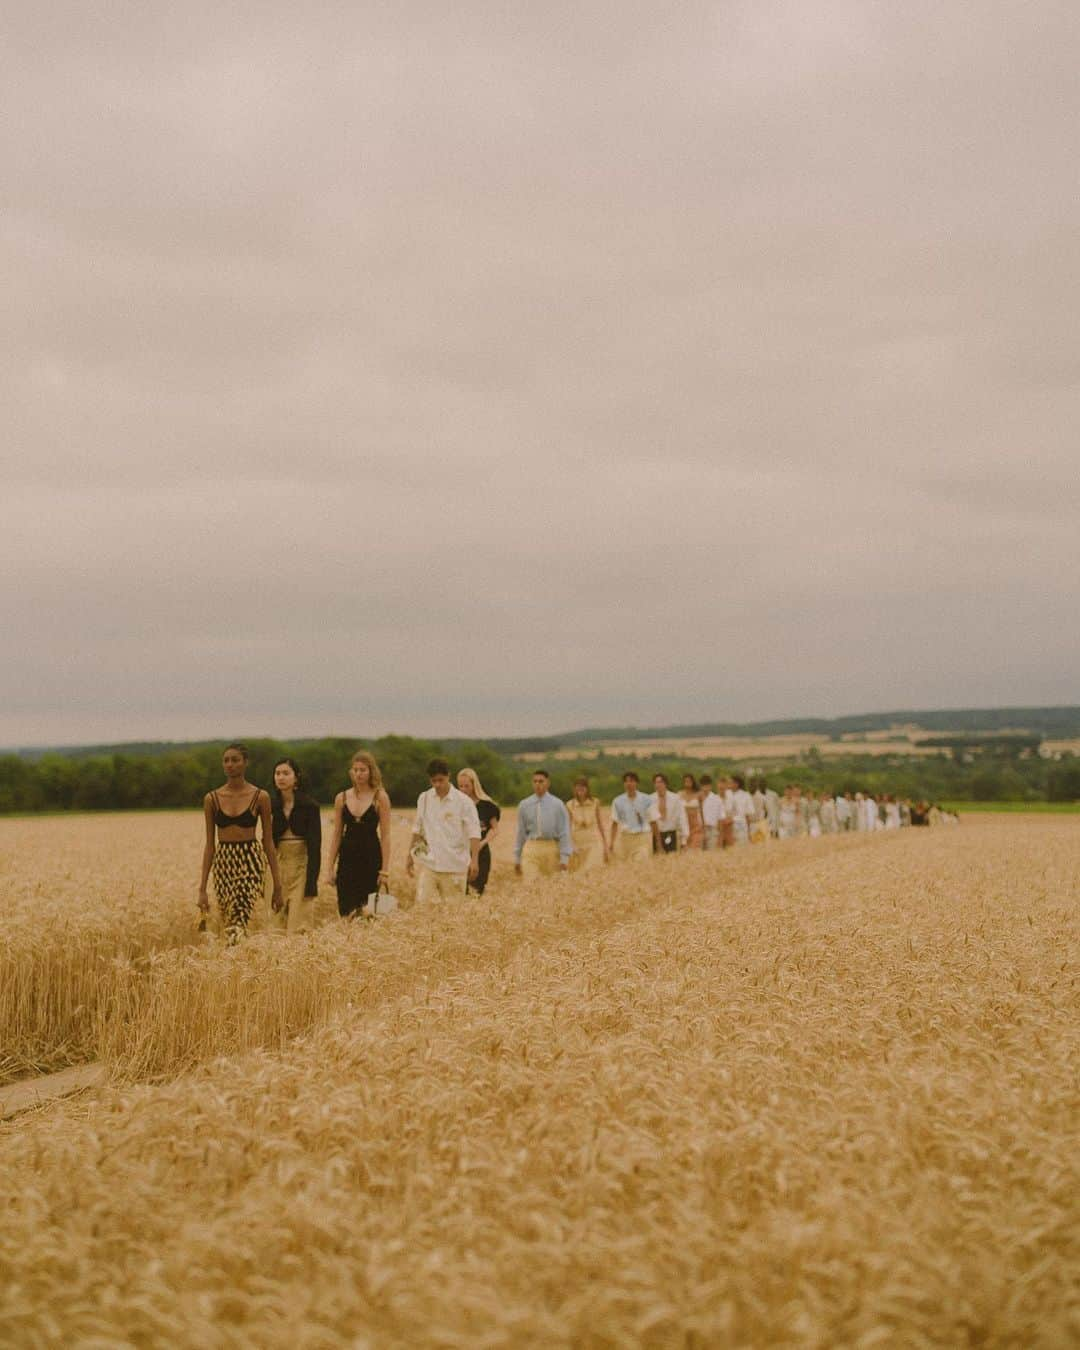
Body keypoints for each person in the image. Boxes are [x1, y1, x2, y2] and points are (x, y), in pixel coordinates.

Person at [198, 742, 282, 945]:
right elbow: (210, 845)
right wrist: (202, 889)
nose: (230, 765)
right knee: (229, 919)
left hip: (250, 859)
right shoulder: (212, 799)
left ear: (245, 763)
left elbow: (268, 842)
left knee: (240, 914)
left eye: (235, 760)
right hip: (224, 861)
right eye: (226, 761)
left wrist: (277, 885)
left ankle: (233, 958)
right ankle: (237, 960)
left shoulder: (260, 797)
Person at [326, 751, 392, 919]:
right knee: (346, 911)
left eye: (363, 770)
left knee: (370, 913)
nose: (358, 774)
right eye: (355, 770)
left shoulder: (380, 797)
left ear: (371, 771)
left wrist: (384, 871)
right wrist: (329, 868)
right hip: (347, 859)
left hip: (371, 858)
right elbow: (336, 835)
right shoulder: (341, 798)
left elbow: (386, 836)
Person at [407, 758, 480, 901]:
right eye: (434, 781)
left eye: (441, 780)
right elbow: (417, 828)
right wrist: (409, 855)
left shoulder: (464, 802)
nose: (437, 784)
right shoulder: (424, 798)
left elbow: (474, 832)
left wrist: (475, 860)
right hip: (430, 864)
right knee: (422, 909)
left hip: (455, 866)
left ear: (448, 776)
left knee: (453, 915)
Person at [269, 757, 322, 934]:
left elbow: (315, 847)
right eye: (277, 773)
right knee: (275, 926)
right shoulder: (270, 806)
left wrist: (312, 883)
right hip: (277, 866)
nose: (281, 777)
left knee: (299, 926)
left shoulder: (310, 806)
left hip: (302, 866)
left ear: (296, 777)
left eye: (286, 773)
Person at [515, 769, 572, 880]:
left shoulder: (558, 804)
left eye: (541, 781)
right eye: (535, 781)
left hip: (551, 847)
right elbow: (520, 832)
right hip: (531, 847)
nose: (537, 784)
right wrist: (517, 858)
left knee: (550, 887)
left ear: (548, 783)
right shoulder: (524, 805)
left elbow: (564, 832)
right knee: (530, 884)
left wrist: (564, 858)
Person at [457, 767, 501, 895]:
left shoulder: (487, 806)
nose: (463, 790)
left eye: (467, 786)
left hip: (481, 854)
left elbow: (495, 829)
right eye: (460, 786)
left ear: (474, 785)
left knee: (476, 892)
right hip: (460, 853)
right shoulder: (456, 805)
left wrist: (482, 843)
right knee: (460, 892)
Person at [609, 772, 654, 863]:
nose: (629, 784)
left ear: (636, 783)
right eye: (626, 781)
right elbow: (614, 823)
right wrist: (611, 843)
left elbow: (653, 821)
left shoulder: (647, 799)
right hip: (626, 838)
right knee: (628, 866)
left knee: (642, 862)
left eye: (631, 781)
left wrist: (658, 844)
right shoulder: (617, 801)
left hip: (643, 837)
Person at [566, 776, 608, 872]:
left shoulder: (595, 802)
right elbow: (567, 827)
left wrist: (605, 845)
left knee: (591, 869)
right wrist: (570, 845)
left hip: (592, 841)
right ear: (574, 789)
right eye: (578, 787)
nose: (580, 789)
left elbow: (600, 824)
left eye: (583, 786)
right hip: (577, 842)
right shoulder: (569, 805)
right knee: (578, 872)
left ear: (587, 789)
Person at [649, 774, 689, 853]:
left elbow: (682, 819)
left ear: (665, 784)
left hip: (671, 834)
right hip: (655, 836)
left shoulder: (675, 798)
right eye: (656, 782)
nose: (658, 785)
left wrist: (684, 841)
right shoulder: (649, 799)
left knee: (672, 862)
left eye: (660, 782)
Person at [679, 774, 706, 850]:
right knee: (684, 849)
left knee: (695, 849)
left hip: (696, 825)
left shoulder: (699, 794)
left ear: (693, 782)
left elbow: (702, 811)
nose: (687, 783)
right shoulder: (680, 794)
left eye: (689, 781)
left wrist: (703, 826)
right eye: (686, 781)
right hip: (684, 825)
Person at [702, 777, 727, 850]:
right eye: (703, 785)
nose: (705, 788)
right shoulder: (698, 798)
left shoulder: (717, 799)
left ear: (710, 786)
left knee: (712, 852)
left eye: (707, 785)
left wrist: (720, 837)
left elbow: (721, 819)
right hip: (700, 830)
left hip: (712, 830)